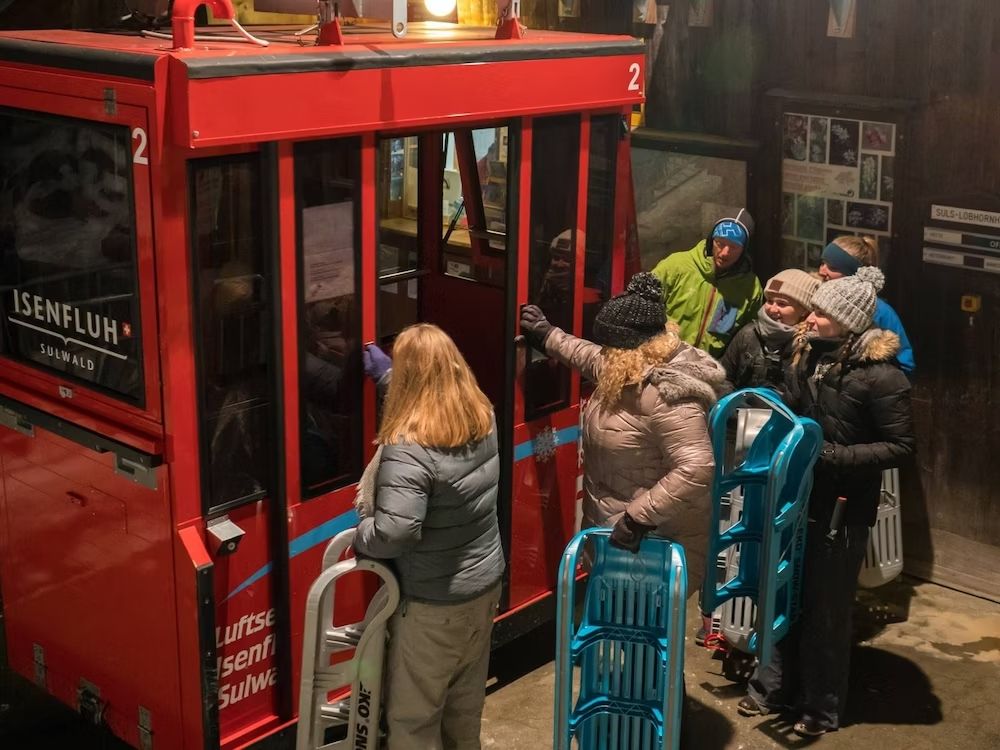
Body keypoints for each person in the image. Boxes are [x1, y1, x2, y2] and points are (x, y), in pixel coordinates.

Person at [738, 266, 915, 737]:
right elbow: (794, 408)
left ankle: (820, 707)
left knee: (826, 611)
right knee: (783, 594)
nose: (810, 318)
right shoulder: (805, 356)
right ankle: (771, 687)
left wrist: (834, 455)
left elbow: (902, 446)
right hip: (796, 497)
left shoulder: (882, 377)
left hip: (841, 507)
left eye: (820, 312)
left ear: (848, 321)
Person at [520, 271, 725, 595]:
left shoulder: (670, 394)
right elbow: (588, 356)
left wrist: (637, 519)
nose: (605, 351)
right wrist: (547, 335)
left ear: (631, 348)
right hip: (618, 537)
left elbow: (697, 467)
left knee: (644, 634)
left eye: (610, 346)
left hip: (652, 546)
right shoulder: (629, 366)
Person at [353, 324, 504, 750]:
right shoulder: (481, 413)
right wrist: (388, 379)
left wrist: (362, 533)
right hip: (484, 588)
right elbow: (431, 404)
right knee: (463, 710)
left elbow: (396, 530)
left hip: (434, 604)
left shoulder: (408, 446)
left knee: (414, 722)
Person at [650, 208, 764, 358]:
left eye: (734, 247)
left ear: (744, 250)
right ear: (711, 240)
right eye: (720, 243)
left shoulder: (750, 287)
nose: (724, 253)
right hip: (664, 359)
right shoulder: (675, 266)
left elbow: (746, 339)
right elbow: (641, 307)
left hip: (710, 369)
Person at [818, 235, 915, 376]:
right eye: (822, 263)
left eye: (832, 267)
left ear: (852, 273)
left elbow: (905, 365)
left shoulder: (880, 311)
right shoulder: (816, 296)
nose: (822, 271)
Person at [719, 268, 820, 394]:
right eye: (770, 301)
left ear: (804, 310)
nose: (772, 309)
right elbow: (723, 377)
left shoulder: (809, 347)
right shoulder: (748, 334)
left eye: (782, 304)